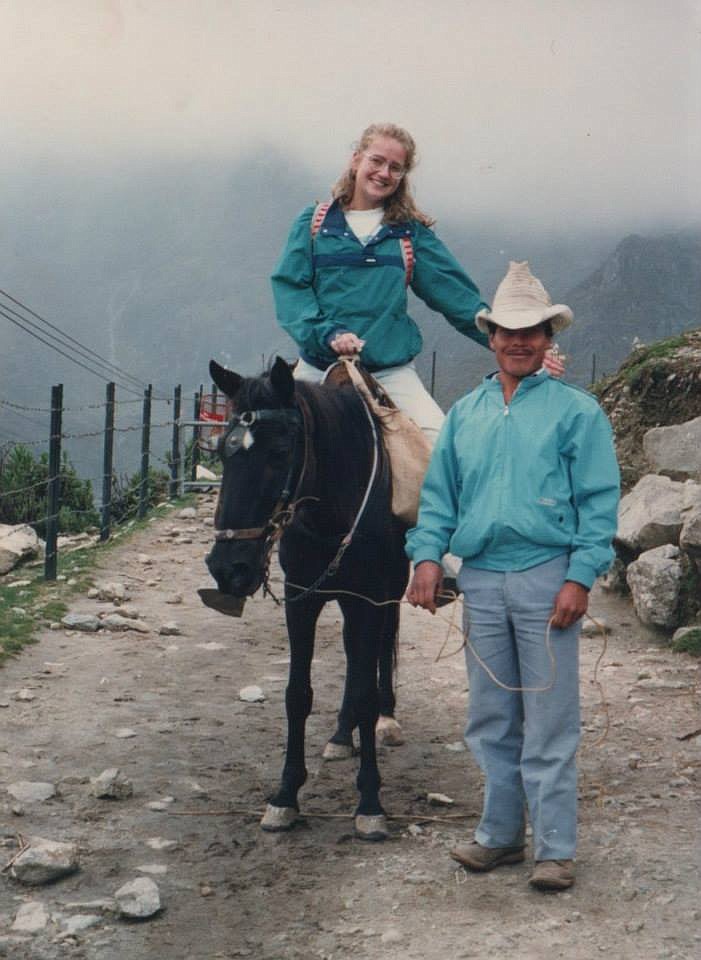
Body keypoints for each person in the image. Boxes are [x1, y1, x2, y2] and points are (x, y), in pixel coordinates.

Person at [405, 260, 620, 891]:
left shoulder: (576, 413)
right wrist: (426, 557)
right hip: (482, 580)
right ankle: (499, 835)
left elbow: (599, 501)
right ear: (491, 337)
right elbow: (439, 497)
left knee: (550, 716)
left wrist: (580, 577)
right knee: (490, 713)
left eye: (533, 331)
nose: (519, 341)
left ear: (550, 337)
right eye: (506, 331)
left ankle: (555, 848)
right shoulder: (465, 414)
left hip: (546, 576)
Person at [271, 122, 562, 446]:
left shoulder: (409, 235)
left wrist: (511, 342)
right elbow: (290, 289)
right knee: (273, 448)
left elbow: (459, 299)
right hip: (316, 368)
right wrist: (328, 334)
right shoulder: (313, 224)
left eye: (395, 168)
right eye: (376, 161)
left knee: (438, 446)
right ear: (356, 160)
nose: (384, 173)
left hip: (388, 373)